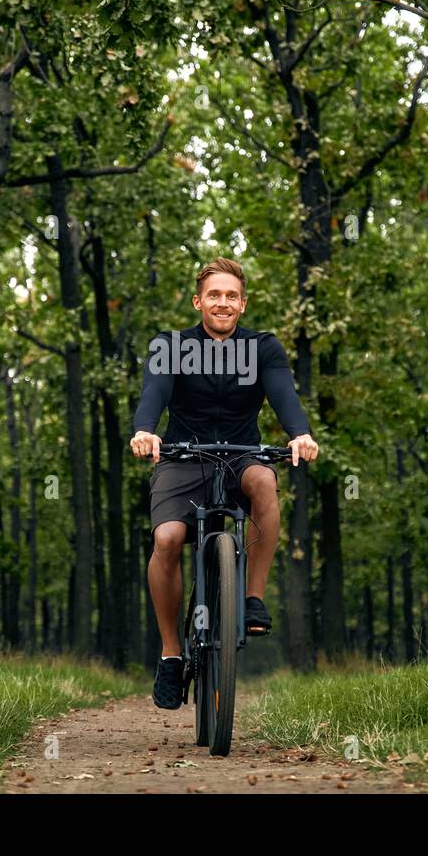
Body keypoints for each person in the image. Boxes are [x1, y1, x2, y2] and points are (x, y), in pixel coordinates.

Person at [129, 257, 318, 709]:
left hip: (240, 455)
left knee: (265, 485)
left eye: (232, 295)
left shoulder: (264, 348)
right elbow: (154, 389)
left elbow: (283, 396)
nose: (223, 302)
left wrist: (300, 434)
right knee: (169, 538)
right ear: (198, 302)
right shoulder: (170, 345)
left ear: (243, 305)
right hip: (182, 456)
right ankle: (171, 652)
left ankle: (251, 598)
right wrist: (145, 429)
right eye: (214, 294)